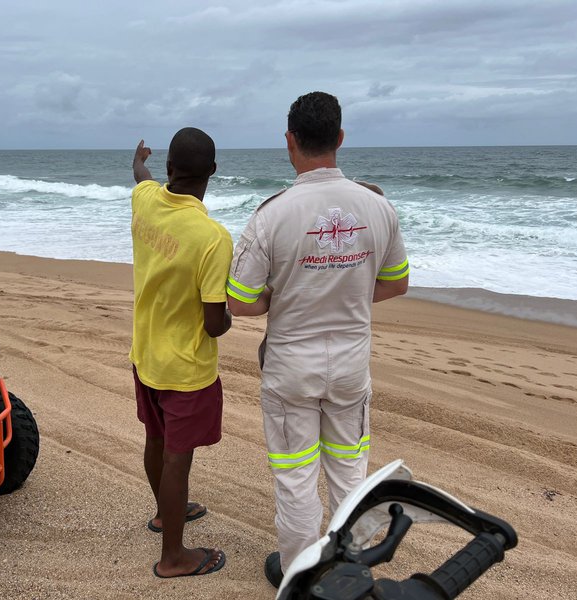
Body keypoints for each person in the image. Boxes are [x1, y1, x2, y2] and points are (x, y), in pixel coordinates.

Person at [226, 92, 409, 587]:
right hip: (350, 363)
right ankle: (350, 573)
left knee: (295, 478)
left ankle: (300, 578)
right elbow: (396, 283)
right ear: (340, 138)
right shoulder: (377, 207)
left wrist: (289, 296)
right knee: (350, 472)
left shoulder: (272, 215)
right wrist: (346, 290)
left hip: (291, 367)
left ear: (290, 141)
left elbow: (240, 301)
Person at [129, 128, 233, 578]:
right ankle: (173, 557)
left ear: (170, 168)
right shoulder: (212, 237)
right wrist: (230, 318)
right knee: (178, 458)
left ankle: (163, 513)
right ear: (213, 171)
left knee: (156, 440)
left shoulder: (145, 201)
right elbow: (213, 323)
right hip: (186, 369)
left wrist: (139, 158)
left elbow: (140, 175)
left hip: (146, 354)